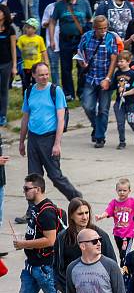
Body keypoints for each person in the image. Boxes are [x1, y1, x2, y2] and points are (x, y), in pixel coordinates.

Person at [1, 174, 62, 293]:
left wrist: (24, 244)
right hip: (31, 266)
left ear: (38, 189)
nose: (24, 192)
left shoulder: (47, 212)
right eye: (24, 188)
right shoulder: (34, 208)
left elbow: (50, 240)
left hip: (44, 267)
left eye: (27, 189)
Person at [18, 63, 81, 203]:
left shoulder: (55, 91)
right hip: (33, 138)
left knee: (55, 176)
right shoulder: (29, 91)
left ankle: (77, 200)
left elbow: (60, 119)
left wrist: (57, 144)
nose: (44, 77)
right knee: (33, 178)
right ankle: (33, 209)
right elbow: (25, 118)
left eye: (46, 74)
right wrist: (22, 141)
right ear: (33, 75)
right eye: (41, 74)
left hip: (49, 138)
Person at [77, 15, 119, 149]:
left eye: (105, 28)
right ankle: (96, 127)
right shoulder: (87, 37)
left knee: (103, 109)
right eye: (100, 28)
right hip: (90, 77)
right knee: (88, 106)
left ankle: (100, 137)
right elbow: (79, 52)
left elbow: (114, 59)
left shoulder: (110, 38)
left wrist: (108, 78)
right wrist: (81, 62)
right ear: (94, 28)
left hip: (104, 78)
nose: (103, 31)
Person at [49, 0, 92, 101]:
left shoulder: (84, 3)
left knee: (82, 67)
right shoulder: (60, 5)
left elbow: (90, 20)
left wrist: (90, 38)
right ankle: (68, 93)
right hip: (65, 39)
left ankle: (82, 92)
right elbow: (52, 22)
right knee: (66, 67)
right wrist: (52, 39)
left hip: (80, 39)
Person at [96, 177, 134, 259]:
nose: (122, 192)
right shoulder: (114, 203)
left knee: (125, 254)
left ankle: (125, 268)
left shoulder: (132, 202)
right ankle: (125, 266)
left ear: (129, 191)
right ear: (116, 190)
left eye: (124, 190)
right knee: (121, 254)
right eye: (120, 190)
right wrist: (101, 216)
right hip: (117, 234)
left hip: (128, 234)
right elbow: (107, 212)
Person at [112, 50, 134, 149]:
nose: (119, 63)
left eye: (122, 61)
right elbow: (114, 85)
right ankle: (122, 141)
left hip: (131, 102)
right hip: (119, 102)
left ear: (128, 61)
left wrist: (127, 92)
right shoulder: (117, 73)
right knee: (120, 123)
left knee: (132, 122)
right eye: (118, 61)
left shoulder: (133, 74)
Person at [41, 0, 64, 88]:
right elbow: (43, 24)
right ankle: (56, 87)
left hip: (64, 42)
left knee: (65, 68)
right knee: (54, 67)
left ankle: (68, 90)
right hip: (52, 42)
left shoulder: (68, 7)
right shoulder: (50, 7)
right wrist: (50, 21)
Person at [19, 18, 46, 94]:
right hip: (25, 66)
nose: (26, 29)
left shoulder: (39, 39)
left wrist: (45, 62)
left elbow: (43, 50)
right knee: (25, 83)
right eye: (26, 27)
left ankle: (36, 96)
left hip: (36, 66)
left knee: (36, 82)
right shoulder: (21, 39)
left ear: (34, 29)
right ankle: (26, 97)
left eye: (29, 27)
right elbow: (18, 51)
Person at [1, 10, 19, 119]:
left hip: (6, 63)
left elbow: (13, 49)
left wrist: (14, 66)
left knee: (4, 89)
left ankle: (3, 115)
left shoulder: (10, 29)